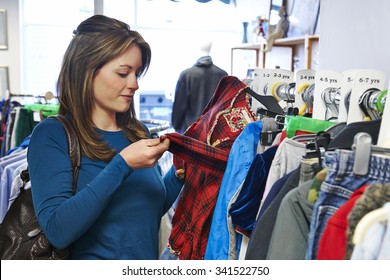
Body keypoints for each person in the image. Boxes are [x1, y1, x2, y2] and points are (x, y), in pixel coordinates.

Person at [27, 15, 183, 260]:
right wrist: (122, 164)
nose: (134, 84)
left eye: (137, 73)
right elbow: (58, 230)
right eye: (123, 73)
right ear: (86, 71)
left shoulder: (137, 131)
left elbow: (143, 214)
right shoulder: (52, 135)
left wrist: (178, 175)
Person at [171, 40, 228, 133]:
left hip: (191, 133)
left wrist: (179, 129)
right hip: (215, 132)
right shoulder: (222, 75)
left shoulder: (187, 75)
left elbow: (179, 109)